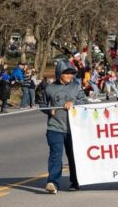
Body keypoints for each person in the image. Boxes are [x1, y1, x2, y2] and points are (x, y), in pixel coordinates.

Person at [40, 59, 88, 194]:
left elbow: (86, 102)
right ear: (59, 73)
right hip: (54, 127)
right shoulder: (49, 88)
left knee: (73, 156)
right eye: (66, 73)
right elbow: (43, 105)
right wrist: (50, 110)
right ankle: (53, 183)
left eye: (72, 73)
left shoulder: (76, 86)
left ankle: (75, 181)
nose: (69, 76)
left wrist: (74, 102)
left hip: (73, 128)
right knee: (55, 155)